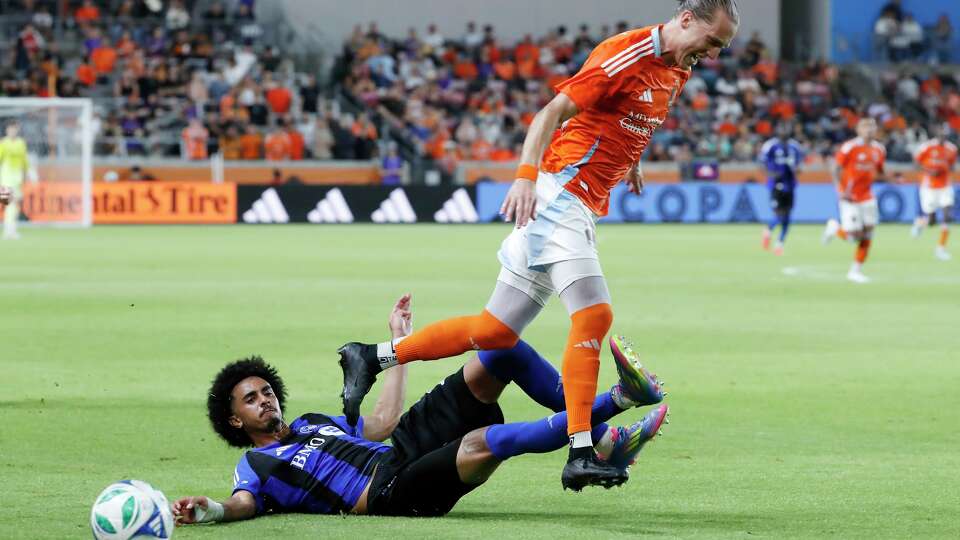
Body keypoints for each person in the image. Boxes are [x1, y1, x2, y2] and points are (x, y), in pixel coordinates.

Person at [337, 0, 738, 492]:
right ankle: (581, 451)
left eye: (721, 47)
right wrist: (526, 177)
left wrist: (628, 161)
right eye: (712, 41)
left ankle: (373, 355)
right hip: (560, 195)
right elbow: (550, 113)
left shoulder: (678, 68)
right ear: (685, 19)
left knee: (495, 332)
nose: (714, 54)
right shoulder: (625, 54)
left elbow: (629, 119)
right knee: (593, 315)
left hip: (580, 200)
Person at [171, 294, 667, 523]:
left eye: (266, 391)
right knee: (483, 444)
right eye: (251, 399)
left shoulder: (310, 423)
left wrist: (398, 345)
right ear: (235, 420)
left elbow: (384, 423)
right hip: (386, 493)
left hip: (398, 450)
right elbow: (242, 503)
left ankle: (599, 440)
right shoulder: (254, 465)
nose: (266, 400)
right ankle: (620, 399)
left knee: (497, 350)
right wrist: (210, 509)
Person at [822, 118, 889, 283]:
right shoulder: (849, 147)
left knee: (869, 234)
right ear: (858, 130)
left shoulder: (879, 149)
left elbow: (879, 172)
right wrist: (839, 190)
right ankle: (834, 228)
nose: (869, 130)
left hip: (868, 197)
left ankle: (855, 270)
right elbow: (835, 168)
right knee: (853, 237)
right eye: (866, 127)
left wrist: (892, 179)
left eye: (872, 127)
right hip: (850, 197)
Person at [910, 126, 957, 260]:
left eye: (945, 133)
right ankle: (920, 223)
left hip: (945, 186)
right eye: (940, 132)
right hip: (929, 187)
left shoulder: (951, 149)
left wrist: (945, 168)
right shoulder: (927, 147)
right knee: (932, 221)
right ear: (936, 133)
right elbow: (916, 163)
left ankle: (940, 249)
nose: (943, 135)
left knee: (947, 216)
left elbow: (952, 165)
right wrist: (930, 171)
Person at [759, 122, 804, 255]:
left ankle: (780, 243)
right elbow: (762, 163)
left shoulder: (795, 146)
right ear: (777, 130)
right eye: (782, 128)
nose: (784, 131)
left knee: (788, 217)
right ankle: (768, 230)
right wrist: (771, 175)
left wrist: (796, 170)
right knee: (779, 214)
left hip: (790, 185)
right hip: (776, 185)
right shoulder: (770, 145)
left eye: (786, 128)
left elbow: (799, 166)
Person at [0, 122, 30, 240]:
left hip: (17, 178)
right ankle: (9, 231)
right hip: (5, 178)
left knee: (15, 204)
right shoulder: (3, 143)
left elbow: (24, 160)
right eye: (10, 129)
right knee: (8, 203)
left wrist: (26, 173)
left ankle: (10, 230)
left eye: (14, 129)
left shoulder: (21, 143)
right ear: (7, 130)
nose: (12, 131)